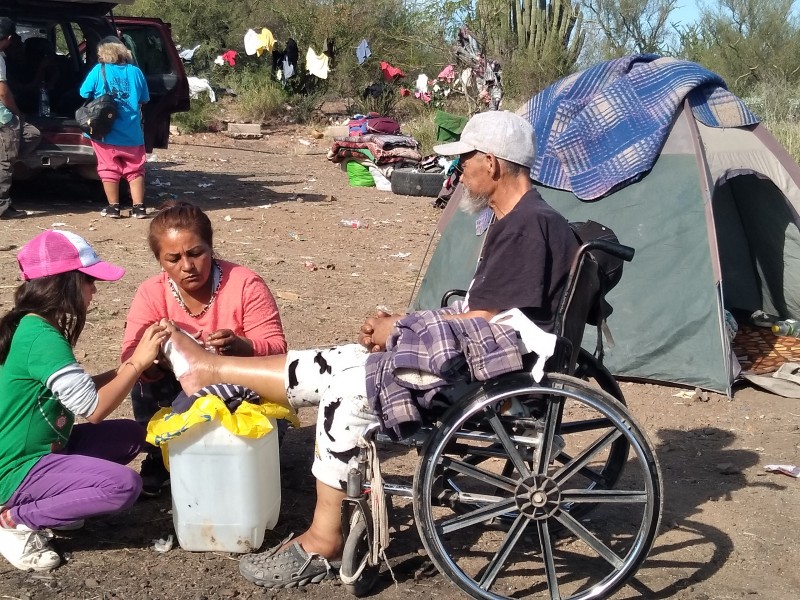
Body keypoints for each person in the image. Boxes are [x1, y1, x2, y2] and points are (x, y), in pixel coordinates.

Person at [157, 110, 579, 589]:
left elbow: (488, 322)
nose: (457, 171)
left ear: (494, 163)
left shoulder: (526, 226)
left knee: (350, 389)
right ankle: (213, 367)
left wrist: (401, 327)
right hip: (482, 360)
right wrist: (403, 329)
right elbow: (494, 314)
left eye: (464, 160)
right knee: (336, 359)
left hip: (487, 375)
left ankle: (324, 539)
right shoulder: (520, 219)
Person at [0, 230, 168, 572]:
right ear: (65, 283)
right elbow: (92, 410)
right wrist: (137, 362)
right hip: (14, 470)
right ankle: (15, 520)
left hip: (39, 450)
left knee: (131, 435)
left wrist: (123, 370)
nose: (94, 290)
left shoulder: (30, 325)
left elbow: (72, 391)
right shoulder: (41, 337)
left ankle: (56, 507)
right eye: (89, 281)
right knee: (123, 486)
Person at [121, 200, 287, 496]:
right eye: (173, 259)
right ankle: (161, 456)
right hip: (175, 390)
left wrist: (242, 346)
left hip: (239, 389)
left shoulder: (245, 284)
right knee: (143, 373)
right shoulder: (151, 293)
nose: (187, 266)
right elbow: (130, 357)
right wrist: (155, 361)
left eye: (196, 253)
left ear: (211, 248)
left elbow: (277, 350)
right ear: (160, 261)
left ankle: (241, 452)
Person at [79, 36, 149, 219]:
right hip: (132, 133)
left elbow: (83, 92)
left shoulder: (98, 70)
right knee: (135, 170)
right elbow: (144, 99)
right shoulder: (136, 72)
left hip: (105, 133)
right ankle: (139, 208)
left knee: (108, 168)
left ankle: (113, 207)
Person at [0, 18, 42, 219]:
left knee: (31, 134)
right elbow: (2, 92)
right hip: (3, 118)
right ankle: (2, 207)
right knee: (5, 163)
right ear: (8, 38)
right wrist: (17, 112)